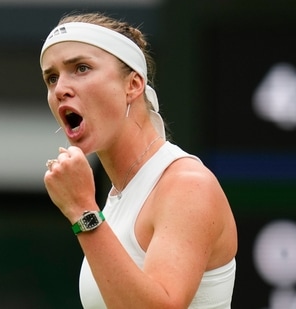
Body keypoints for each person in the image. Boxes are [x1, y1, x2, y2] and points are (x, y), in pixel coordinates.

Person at [41, 12, 237, 309]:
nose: (60, 89)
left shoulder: (187, 185)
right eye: (52, 77)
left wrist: (83, 211)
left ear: (133, 85)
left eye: (81, 68)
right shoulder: (119, 195)